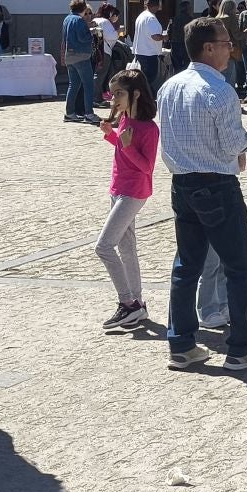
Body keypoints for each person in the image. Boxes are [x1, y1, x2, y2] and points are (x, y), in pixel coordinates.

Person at [156, 15, 247, 372]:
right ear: (208, 48)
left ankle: (181, 344)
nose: (230, 49)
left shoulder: (169, 87)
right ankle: (240, 348)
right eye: (226, 43)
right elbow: (232, 145)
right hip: (217, 185)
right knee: (238, 267)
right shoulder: (219, 91)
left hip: (182, 184)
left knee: (186, 266)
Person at [89, 66, 159, 332]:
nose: (114, 99)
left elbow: (146, 167)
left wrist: (127, 146)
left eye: (119, 93)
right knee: (127, 248)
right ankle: (137, 304)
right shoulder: (125, 121)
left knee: (104, 247)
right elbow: (123, 148)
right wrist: (111, 135)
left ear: (136, 94)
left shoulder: (149, 128)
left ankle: (127, 303)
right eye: (112, 94)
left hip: (134, 192)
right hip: (118, 188)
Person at [61, 0, 98, 123]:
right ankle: (89, 114)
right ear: (83, 9)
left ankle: (70, 113)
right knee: (88, 85)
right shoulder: (79, 20)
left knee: (73, 85)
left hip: (69, 56)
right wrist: (92, 33)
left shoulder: (67, 19)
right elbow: (83, 38)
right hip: (81, 56)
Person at [93, 2, 132, 107]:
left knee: (96, 74)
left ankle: (95, 97)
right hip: (104, 52)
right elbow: (112, 36)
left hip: (95, 51)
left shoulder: (96, 20)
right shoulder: (105, 22)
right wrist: (119, 31)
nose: (116, 17)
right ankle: (96, 98)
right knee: (100, 75)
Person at [132, 0, 168, 88]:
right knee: (149, 79)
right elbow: (155, 36)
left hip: (140, 51)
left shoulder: (141, 16)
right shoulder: (151, 18)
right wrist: (165, 37)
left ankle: (143, 94)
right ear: (157, 6)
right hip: (149, 53)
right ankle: (145, 95)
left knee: (143, 78)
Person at [218, 0, 244, 90]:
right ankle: (230, 96)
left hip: (219, 50)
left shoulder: (217, 18)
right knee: (230, 76)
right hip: (230, 49)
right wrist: (246, 32)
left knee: (221, 75)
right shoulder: (231, 18)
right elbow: (237, 35)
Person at [168, 0, 194, 78]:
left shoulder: (174, 19)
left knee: (177, 66)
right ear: (188, 9)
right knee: (186, 66)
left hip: (175, 44)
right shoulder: (191, 20)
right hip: (185, 45)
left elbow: (169, 31)